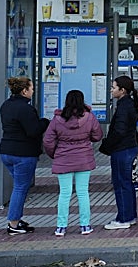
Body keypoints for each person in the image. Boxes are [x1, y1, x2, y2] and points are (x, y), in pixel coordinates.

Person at [43, 89, 102, 237]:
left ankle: (61, 227)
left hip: (63, 159)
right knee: (83, 193)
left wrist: (55, 155)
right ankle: (85, 225)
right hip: (83, 159)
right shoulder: (89, 117)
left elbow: (48, 141)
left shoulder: (57, 119)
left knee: (64, 193)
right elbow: (98, 135)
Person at [0, 77, 48, 235]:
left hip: (6, 151)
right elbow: (33, 131)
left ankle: (16, 219)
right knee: (20, 188)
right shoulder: (26, 109)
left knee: (19, 187)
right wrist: (45, 122)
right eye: (31, 88)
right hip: (23, 153)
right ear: (24, 91)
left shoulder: (6, 105)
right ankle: (13, 224)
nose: (33, 91)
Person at [101, 76, 138, 230]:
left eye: (114, 87)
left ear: (122, 90)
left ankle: (123, 218)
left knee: (121, 183)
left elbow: (119, 130)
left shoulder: (123, 106)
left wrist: (106, 145)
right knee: (127, 183)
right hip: (129, 147)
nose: (111, 89)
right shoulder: (128, 103)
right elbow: (134, 117)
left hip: (122, 149)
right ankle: (130, 216)